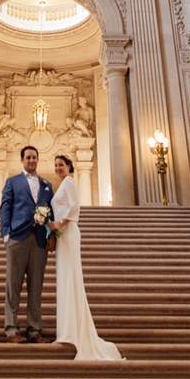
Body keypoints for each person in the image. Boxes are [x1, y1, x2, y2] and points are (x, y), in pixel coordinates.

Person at [48, 154, 122, 361]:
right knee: (65, 280)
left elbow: (75, 206)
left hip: (69, 232)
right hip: (63, 236)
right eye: (55, 165)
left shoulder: (70, 181)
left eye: (61, 165)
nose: (58, 168)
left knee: (70, 278)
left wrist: (60, 223)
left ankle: (72, 332)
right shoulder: (62, 183)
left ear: (69, 166)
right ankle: (67, 331)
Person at [0, 146, 55, 343]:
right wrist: (6, 233)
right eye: (28, 157)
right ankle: (12, 329)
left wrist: (52, 236)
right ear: (22, 160)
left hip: (39, 240)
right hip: (17, 237)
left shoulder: (47, 185)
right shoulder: (12, 182)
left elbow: (51, 212)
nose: (31, 160)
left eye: (34, 157)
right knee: (13, 286)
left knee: (36, 287)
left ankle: (34, 330)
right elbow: (5, 206)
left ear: (38, 160)